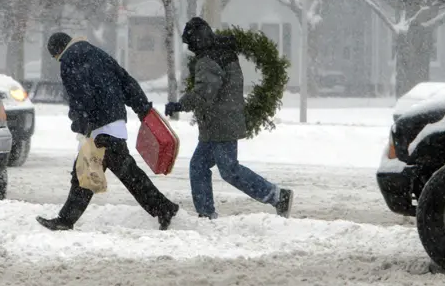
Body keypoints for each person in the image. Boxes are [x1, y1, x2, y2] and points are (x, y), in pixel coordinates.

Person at [36, 32, 179, 231]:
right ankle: (66, 220)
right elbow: (126, 80)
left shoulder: (69, 60)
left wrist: (81, 124)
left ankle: (164, 207)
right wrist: (142, 107)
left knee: (121, 173)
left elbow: (80, 97)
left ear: (58, 51)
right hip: (115, 121)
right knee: (89, 171)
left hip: (99, 125)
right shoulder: (98, 53)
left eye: (55, 57)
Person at [165, 17, 294, 219]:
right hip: (219, 122)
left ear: (197, 40)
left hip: (220, 123)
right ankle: (206, 213)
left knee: (229, 170)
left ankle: (277, 196)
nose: (190, 48)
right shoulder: (224, 53)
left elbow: (204, 92)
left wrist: (180, 104)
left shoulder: (208, 60)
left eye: (190, 43)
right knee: (198, 166)